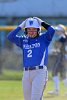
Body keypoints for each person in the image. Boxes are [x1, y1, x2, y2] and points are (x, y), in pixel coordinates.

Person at [7, 17, 55, 100]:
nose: (31, 32)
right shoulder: (24, 40)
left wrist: (41, 22)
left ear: (38, 30)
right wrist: (21, 26)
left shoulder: (43, 38)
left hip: (39, 72)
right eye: (29, 30)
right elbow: (10, 36)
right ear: (25, 31)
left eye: (34, 30)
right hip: (26, 73)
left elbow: (52, 30)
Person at [48, 24, 67, 96]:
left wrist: (54, 51)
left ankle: (56, 91)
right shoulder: (64, 37)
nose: (56, 32)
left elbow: (59, 49)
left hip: (61, 57)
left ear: (62, 31)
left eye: (58, 30)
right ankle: (56, 90)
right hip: (64, 58)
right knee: (63, 76)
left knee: (54, 72)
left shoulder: (62, 38)